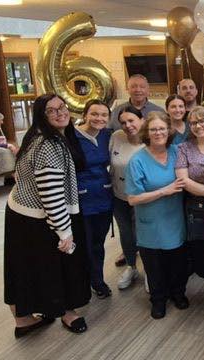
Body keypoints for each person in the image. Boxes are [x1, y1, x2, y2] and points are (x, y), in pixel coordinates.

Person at [5, 94, 90, 337]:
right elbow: (51, 195)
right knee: (59, 265)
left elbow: (19, 176)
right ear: (42, 116)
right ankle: (66, 312)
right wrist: (64, 231)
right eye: (51, 111)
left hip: (21, 213)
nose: (60, 113)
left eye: (62, 107)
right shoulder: (49, 145)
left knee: (23, 268)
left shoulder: (35, 137)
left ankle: (23, 319)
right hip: (38, 218)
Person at [126, 111, 188, 319]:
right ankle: (158, 300)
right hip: (150, 223)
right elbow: (132, 199)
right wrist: (164, 191)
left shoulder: (178, 151)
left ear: (169, 130)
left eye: (162, 128)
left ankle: (178, 293)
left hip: (175, 219)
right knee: (154, 267)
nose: (158, 132)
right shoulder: (137, 161)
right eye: (153, 129)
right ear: (147, 132)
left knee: (177, 263)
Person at [175, 106, 204, 312]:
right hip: (197, 210)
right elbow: (183, 180)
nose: (198, 125)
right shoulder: (184, 148)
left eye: (202, 120)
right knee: (202, 253)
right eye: (193, 122)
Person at [74, 99, 114, 299]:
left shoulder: (108, 136)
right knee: (85, 243)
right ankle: (84, 283)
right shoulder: (71, 136)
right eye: (94, 114)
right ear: (85, 114)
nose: (99, 118)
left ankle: (97, 279)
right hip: (81, 199)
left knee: (98, 242)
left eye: (104, 115)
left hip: (104, 196)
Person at [110, 106, 146, 290]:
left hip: (143, 198)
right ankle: (131, 266)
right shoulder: (116, 137)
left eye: (131, 120)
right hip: (119, 195)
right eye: (123, 122)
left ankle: (149, 271)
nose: (128, 125)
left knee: (142, 234)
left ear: (141, 120)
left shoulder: (150, 140)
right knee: (126, 233)